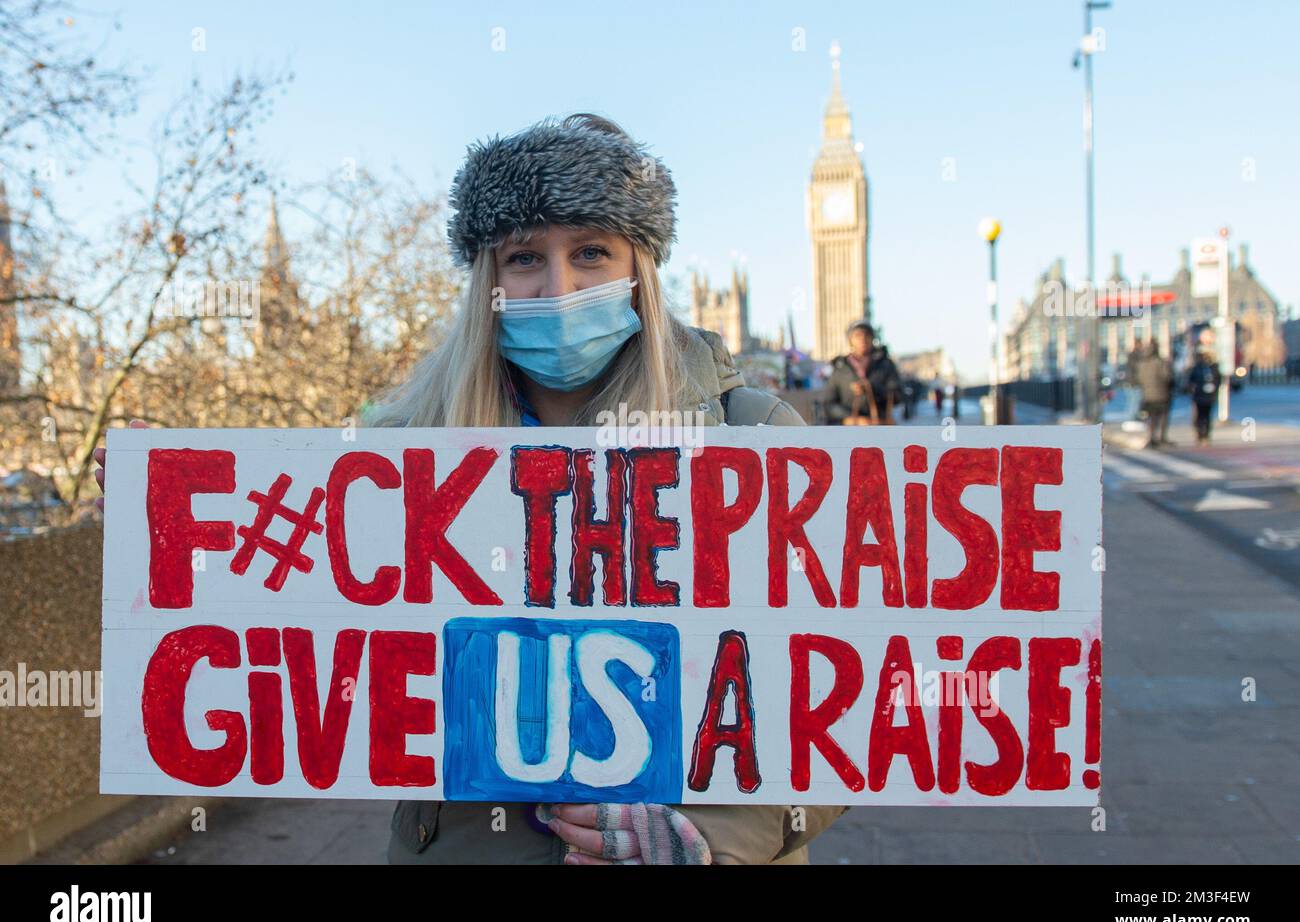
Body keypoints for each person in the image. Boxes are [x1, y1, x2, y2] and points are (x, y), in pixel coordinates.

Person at [92, 113, 846, 865]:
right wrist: (169, 514)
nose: (558, 287)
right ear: (489, 280)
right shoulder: (401, 450)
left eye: (590, 251)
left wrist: (712, 837)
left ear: (639, 268)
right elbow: (286, 603)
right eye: (524, 258)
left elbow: (845, 697)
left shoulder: (752, 435)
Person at [825, 319, 901, 425]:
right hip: (850, 430)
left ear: (872, 338)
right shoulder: (840, 368)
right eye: (858, 335)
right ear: (850, 340)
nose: (863, 339)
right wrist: (852, 417)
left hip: (880, 426)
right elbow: (829, 405)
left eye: (867, 335)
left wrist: (871, 388)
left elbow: (897, 396)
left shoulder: (885, 364)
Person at [1132, 340, 1174, 448]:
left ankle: (1151, 437)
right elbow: (1167, 377)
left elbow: (1139, 378)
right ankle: (1162, 437)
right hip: (1162, 393)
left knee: (1151, 417)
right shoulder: (1160, 362)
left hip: (1147, 395)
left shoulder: (1141, 363)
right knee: (1163, 416)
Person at [1187, 349, 1223, 446]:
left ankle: (1205, 435)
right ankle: (1200, 435)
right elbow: (1190, 381)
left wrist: (1214, 389)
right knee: (1200, 416)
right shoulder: (1197, 368)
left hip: (1209, 396)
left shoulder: (1213, 368)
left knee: (1207, 416)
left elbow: (1219, 380)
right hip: (1199, 396)